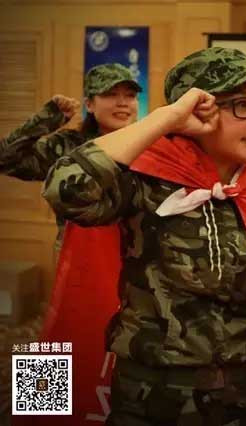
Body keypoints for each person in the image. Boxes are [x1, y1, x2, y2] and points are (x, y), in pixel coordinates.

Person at [43, 47, 246, 426]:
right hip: (156, 391)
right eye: (243, 105)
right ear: (196, 112)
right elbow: (63, 188)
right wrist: (165, 119)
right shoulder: (144, 179)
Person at [1, 64, 141, 426]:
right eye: (111, 95)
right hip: (77, 261)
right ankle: (39, 416)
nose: (123, 103)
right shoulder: (67, 146)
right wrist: (47, 119)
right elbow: (6, 158)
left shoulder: (149, 143)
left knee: (129, 345)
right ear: (90, 104)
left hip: (137, 261)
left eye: (129, 95)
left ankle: (111, 411)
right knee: (63, 333)